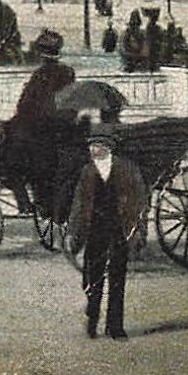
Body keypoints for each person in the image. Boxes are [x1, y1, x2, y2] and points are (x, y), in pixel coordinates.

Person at [66, 123, 146, 340]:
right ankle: (92, 320)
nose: (92, 149)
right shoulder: (87, 171)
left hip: (119, 231)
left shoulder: (127, 169)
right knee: (92, 279)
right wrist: (73, 232)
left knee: (117, 279)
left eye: (97, 145)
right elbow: (79, 204)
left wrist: (137, 231)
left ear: (108, 147)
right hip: (94, 232)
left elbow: (139, 202)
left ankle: (115, 327)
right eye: (91, 145)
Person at [2, 30, 76, 213]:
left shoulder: (39, 75)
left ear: (42, 55)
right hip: (64, 128)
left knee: (9, 157)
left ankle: (24, 201)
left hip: (41, 130)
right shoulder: (68, 72)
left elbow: (25, 105)